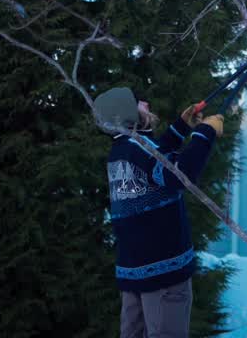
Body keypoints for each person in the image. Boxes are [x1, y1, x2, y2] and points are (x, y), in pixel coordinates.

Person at [95, 86, 225, 338]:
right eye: (138, 102)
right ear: (128, 114)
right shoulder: (139, 148)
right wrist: (206, 132)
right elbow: (179, 176)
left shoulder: (123, 148)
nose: (145, 102)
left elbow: (156, 158)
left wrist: (182, 126)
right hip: (163, 277)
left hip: (136, 273)